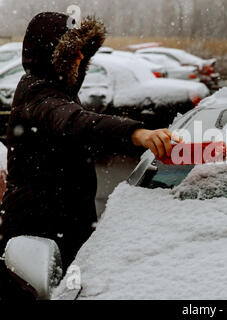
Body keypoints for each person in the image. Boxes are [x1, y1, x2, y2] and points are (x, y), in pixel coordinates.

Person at [0, 12, 179, 299]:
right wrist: (137, 134)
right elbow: (75, 122)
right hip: (38, 234)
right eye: (74, 50)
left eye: (84, 50)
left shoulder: (57, 91)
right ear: (53, 56)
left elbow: (81, 133)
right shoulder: (38, 94)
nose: (81, 56)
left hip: (64, 223)